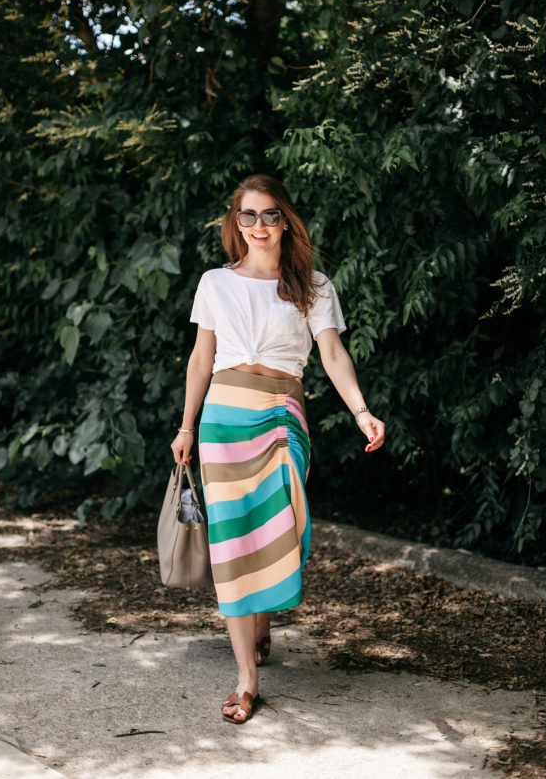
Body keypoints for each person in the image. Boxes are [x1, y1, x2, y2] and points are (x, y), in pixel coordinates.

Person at [170, 174, 385, 725]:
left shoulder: (311, 285)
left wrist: (361, 410)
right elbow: (200, 360)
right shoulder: (215, 282)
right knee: (233, 536)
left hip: (281, 414)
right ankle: (246, 681)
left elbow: (333, 354)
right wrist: (187, 427)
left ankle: (262, 618)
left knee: (280, 521)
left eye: (269, 215)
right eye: (248, 216)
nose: (259, 226)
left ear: (285, 219)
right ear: (234, 222)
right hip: (222, 417)